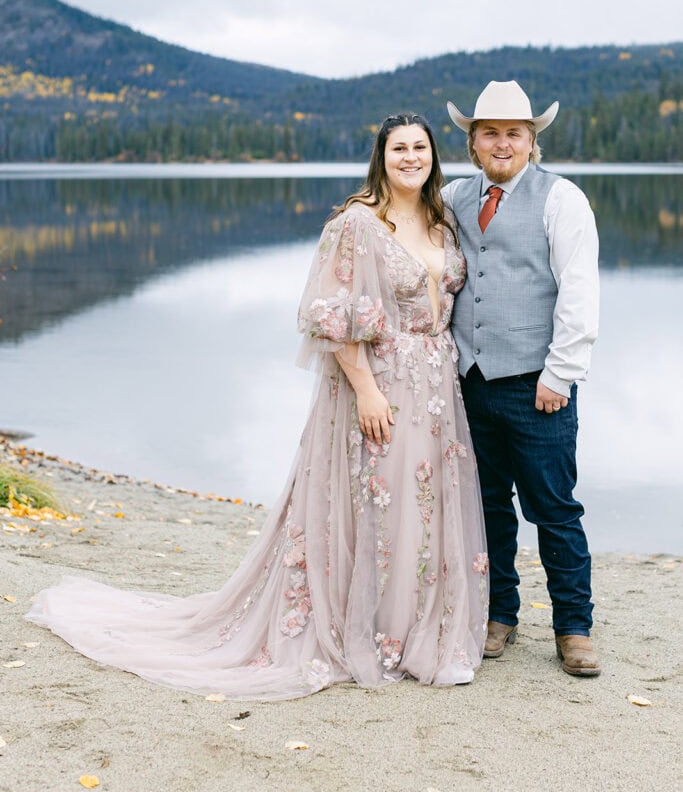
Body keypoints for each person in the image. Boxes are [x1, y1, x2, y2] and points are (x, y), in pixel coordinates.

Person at [26, 114, 488, 700]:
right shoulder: (357, 223)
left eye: (420, 147)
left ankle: (426, 637)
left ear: (434, 156)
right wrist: (367, 389)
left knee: (425, 507)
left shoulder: (442, 221)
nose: (411, 158)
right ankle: (374, 636)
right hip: (382, 384)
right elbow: (331, 317)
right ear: (382, 156)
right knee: (380, 505)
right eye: (399, 148)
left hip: (438, 385)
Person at [442, 80, 600, 677]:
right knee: (485, 508)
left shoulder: (562, 200)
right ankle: (498, 616)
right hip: (469, 381)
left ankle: (574, 628)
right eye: (490, 133)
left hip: (539, 383)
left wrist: (560, 373)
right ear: (473, 143)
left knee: (554, 508)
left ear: (532, 142)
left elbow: (579, 293)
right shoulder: (454, 195)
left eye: (514, 133)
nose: (501, 143)